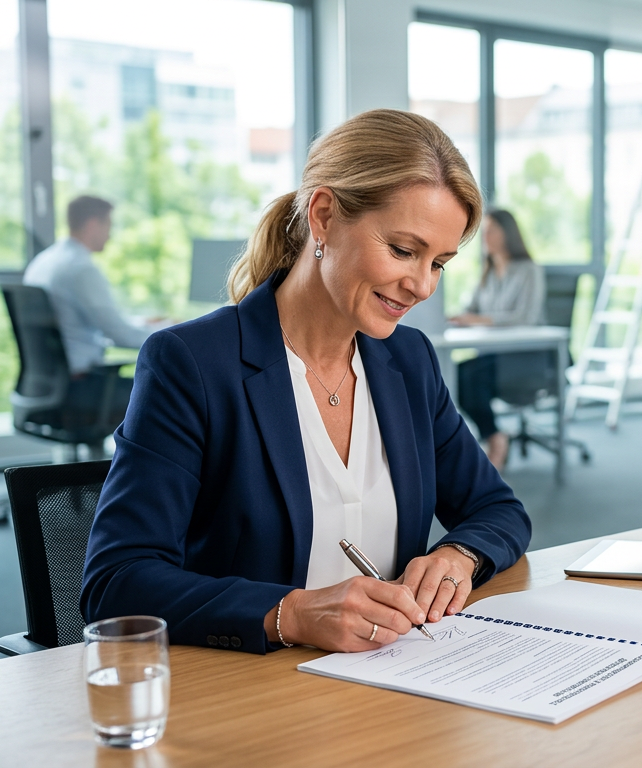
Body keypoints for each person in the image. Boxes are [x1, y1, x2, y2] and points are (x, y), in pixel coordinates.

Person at [82, 109, 532, 654]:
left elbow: (499, 510)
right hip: (254, 695)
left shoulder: (408, 360)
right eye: (403, 250)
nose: (421, 286)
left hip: (397, 683)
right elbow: (117, 581)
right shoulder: (193, 363)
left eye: (439, 263)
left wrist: (458, 555)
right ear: (323, 216)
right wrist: (288, 613)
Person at [23, 195, 150, 417]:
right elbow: (122, 336)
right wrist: (177, 334)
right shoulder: (81, 268)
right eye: (108, 226)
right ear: (93, 225)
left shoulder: (43, 262)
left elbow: (79, 323)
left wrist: (140, 324)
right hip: (81, 389)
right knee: (167, 393)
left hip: (44, 385)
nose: (110, 235)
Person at [451, 209, 546, 472]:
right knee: (457, 375)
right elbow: (471, 308)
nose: (485, 236)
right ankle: (494, 435)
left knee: (472, 376)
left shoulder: (529, 270)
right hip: (494, 355)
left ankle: (494, 440)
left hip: (526, 358)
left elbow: (524, 317)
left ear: (508, 233)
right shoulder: (488, 272)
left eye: (491, 229)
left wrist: (479, 320)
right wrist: (459, 316)